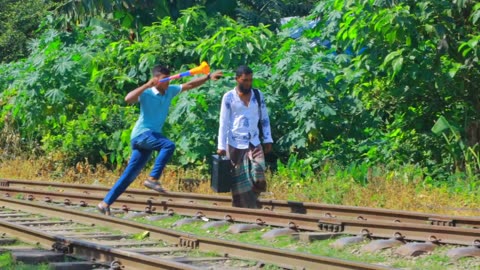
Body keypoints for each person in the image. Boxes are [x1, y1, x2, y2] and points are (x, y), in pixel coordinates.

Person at [97, 65, 223, 215]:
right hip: (142, 134)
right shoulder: (147, 93)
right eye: (164, 80)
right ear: (156, 79)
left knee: (130, 175)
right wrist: (146, 85)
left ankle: (105, 203)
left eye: (169, 79)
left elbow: (189, 84)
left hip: (151, 137)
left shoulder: (169, 91)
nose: (168, 82)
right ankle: (153, 178)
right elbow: (128, 99)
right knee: (168, 145)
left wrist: (208, 77)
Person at [217, 65, 273, 208]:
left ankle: (251, 200)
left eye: (250, 80)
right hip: (235, 143)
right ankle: (242, 208)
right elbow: (223, 122)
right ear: (237, 79)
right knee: (238, 180)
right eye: (245, 80)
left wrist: (267, 139)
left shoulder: (258, 95)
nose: (248, 83)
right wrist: (221, 146)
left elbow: (264, 118)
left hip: (254, 141)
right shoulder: (229, 97)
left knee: (259, 174)